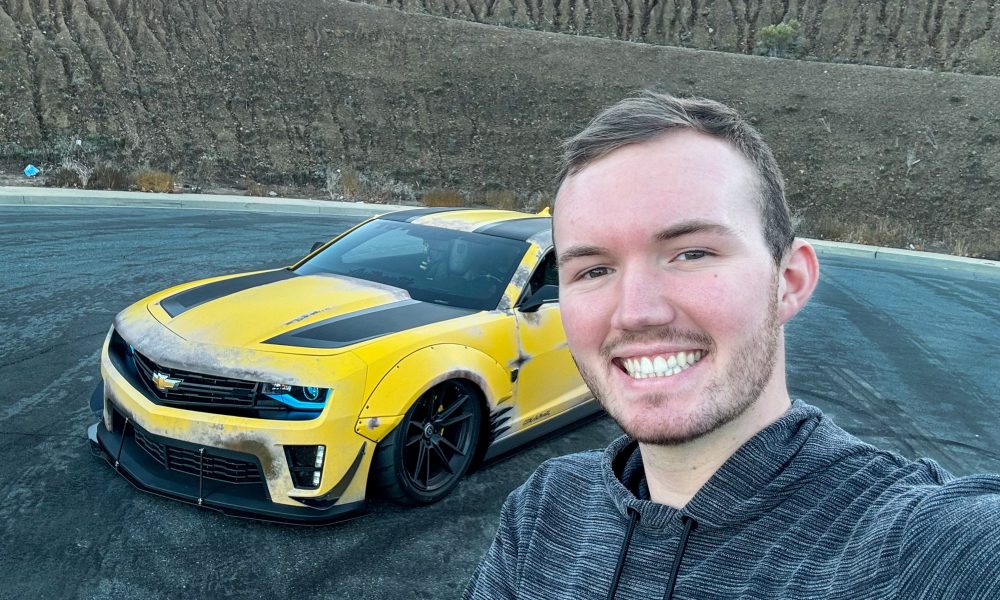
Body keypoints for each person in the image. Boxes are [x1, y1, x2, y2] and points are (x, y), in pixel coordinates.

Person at [463, 91, 1000, 599]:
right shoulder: (545, 508)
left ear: (789, 281)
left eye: (692, 253)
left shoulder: (920, 543)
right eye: (594, 270)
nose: (636, 312)